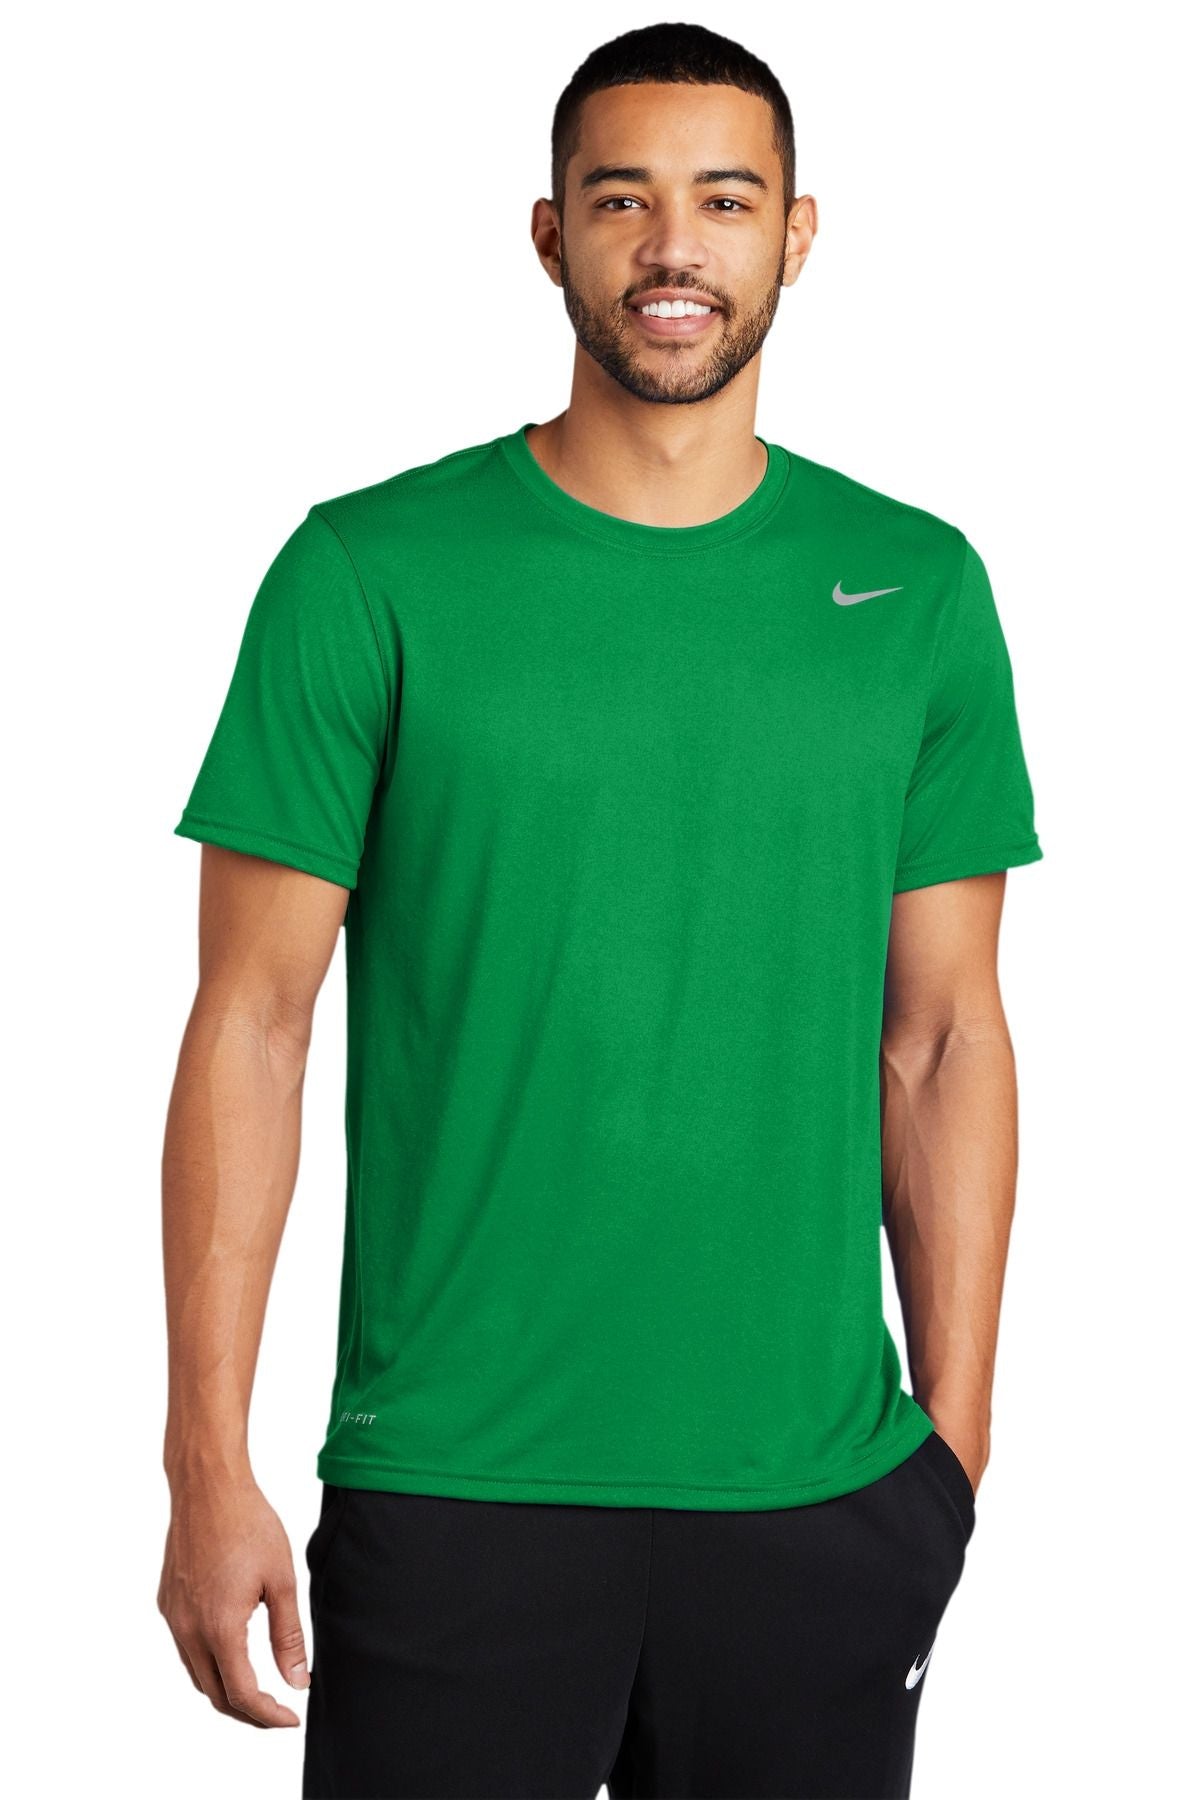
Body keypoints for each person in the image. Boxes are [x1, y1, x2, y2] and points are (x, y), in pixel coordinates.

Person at [158, 21, 1044, 1799]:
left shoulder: (919, 589)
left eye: (725, 200)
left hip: (815, 1500)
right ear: (549, 233)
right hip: (454, 1486)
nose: (672, 248)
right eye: (622, 199)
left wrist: (950, 1455)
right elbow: (252, 1023)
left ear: (796, 235)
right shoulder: (367, 572)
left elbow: (943, 1036)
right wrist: (204, 1461)